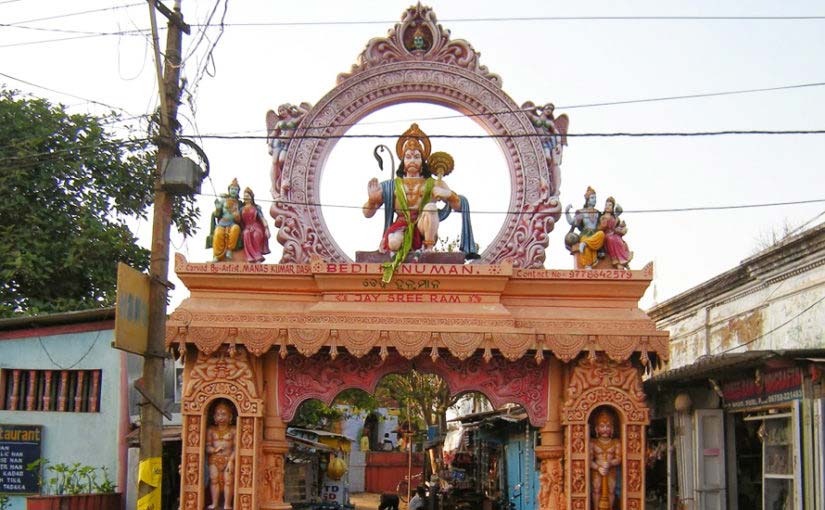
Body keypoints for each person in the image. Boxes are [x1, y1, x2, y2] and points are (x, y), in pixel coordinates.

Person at [363, 123, 477, 281]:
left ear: (422, 161)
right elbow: (367, 213)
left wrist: (448, 194)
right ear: (403, 160)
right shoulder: (391, 185)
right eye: (408, 157)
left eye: (416, 157)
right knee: (394, 244)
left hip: (425, 227)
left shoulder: (433, 183)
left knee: (430, 207)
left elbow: (459, 205)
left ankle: (428, 249)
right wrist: (372, 200)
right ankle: (403, 246)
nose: (412, 160)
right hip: (401, 226)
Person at [206, 401, 237, 510]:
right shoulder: (211, 430)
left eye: (224, 414)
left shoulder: (234, 430)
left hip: (228, 459)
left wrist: (231, 462)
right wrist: (214, 450)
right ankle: (214, 503)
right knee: (214, 479)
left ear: (230, 416)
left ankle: (227, 505)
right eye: (218, 414)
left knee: (228, 481)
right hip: (214, 460)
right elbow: (207, 447)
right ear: (214, 416)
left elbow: (236, 448)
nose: (221, 417)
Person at [564, 186, 604, 269]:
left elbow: (604, 224)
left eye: (595, 198)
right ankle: (588, 265)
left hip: (595, 234)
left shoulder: (598, 213)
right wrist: (567, 212)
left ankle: (585, 243)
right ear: (587, 200)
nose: (594, 200)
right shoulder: (582, 212)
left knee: (601, 234)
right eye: (592, 198)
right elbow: (572, 222)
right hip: (585, 234)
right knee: (585, 240)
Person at [590, 408, 621, 510]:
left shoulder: (616, 442)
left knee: (611, 490)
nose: (605, 429)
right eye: (602, 426)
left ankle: (610, 508)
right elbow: (589, 461)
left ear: (612, 428)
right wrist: (598, 468)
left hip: (610, 469)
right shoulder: (592, 442)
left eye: (608, 426)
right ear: (596, 429)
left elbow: (619, 459)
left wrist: (610, 463)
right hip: (597, 470)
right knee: (596, 489)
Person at [208, 178, 243, 262]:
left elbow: (239, 220)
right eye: (232, 189)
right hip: (222, 222)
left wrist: (235, 212)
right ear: (229, 190)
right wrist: (217, 208)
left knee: (236, 229)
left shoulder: (239, 203)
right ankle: (217, 255)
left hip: (232, 223)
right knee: (218, 233)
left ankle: (229, 250)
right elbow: (216, 214)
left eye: (236, 189)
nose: (233, 191)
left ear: (238, 191)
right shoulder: (223, 200)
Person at [599, 196, 632, 269]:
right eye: (606, 205)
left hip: (615, 234)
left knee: (621, 242)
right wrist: (604, 223)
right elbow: (601, 227)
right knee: (611, 239)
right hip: (606, 235)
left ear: (612, 207)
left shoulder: (615, 217)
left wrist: (622, 226)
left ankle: (624, 261)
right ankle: (616, 261)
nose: (607, 206)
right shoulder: (602, 217)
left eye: (610, 205)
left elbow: (616, 226)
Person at [240, 187, 271, 263]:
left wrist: (266, 228)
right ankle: (250, 257)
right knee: (246, 234)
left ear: (251, 197)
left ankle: (258, 256)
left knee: (256, 235)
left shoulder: (256, 208)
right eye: (245, 197)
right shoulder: (241, 209)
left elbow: (262, 218)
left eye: (248, 196)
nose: (246, 198)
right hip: (247, 227)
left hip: (256, 226)